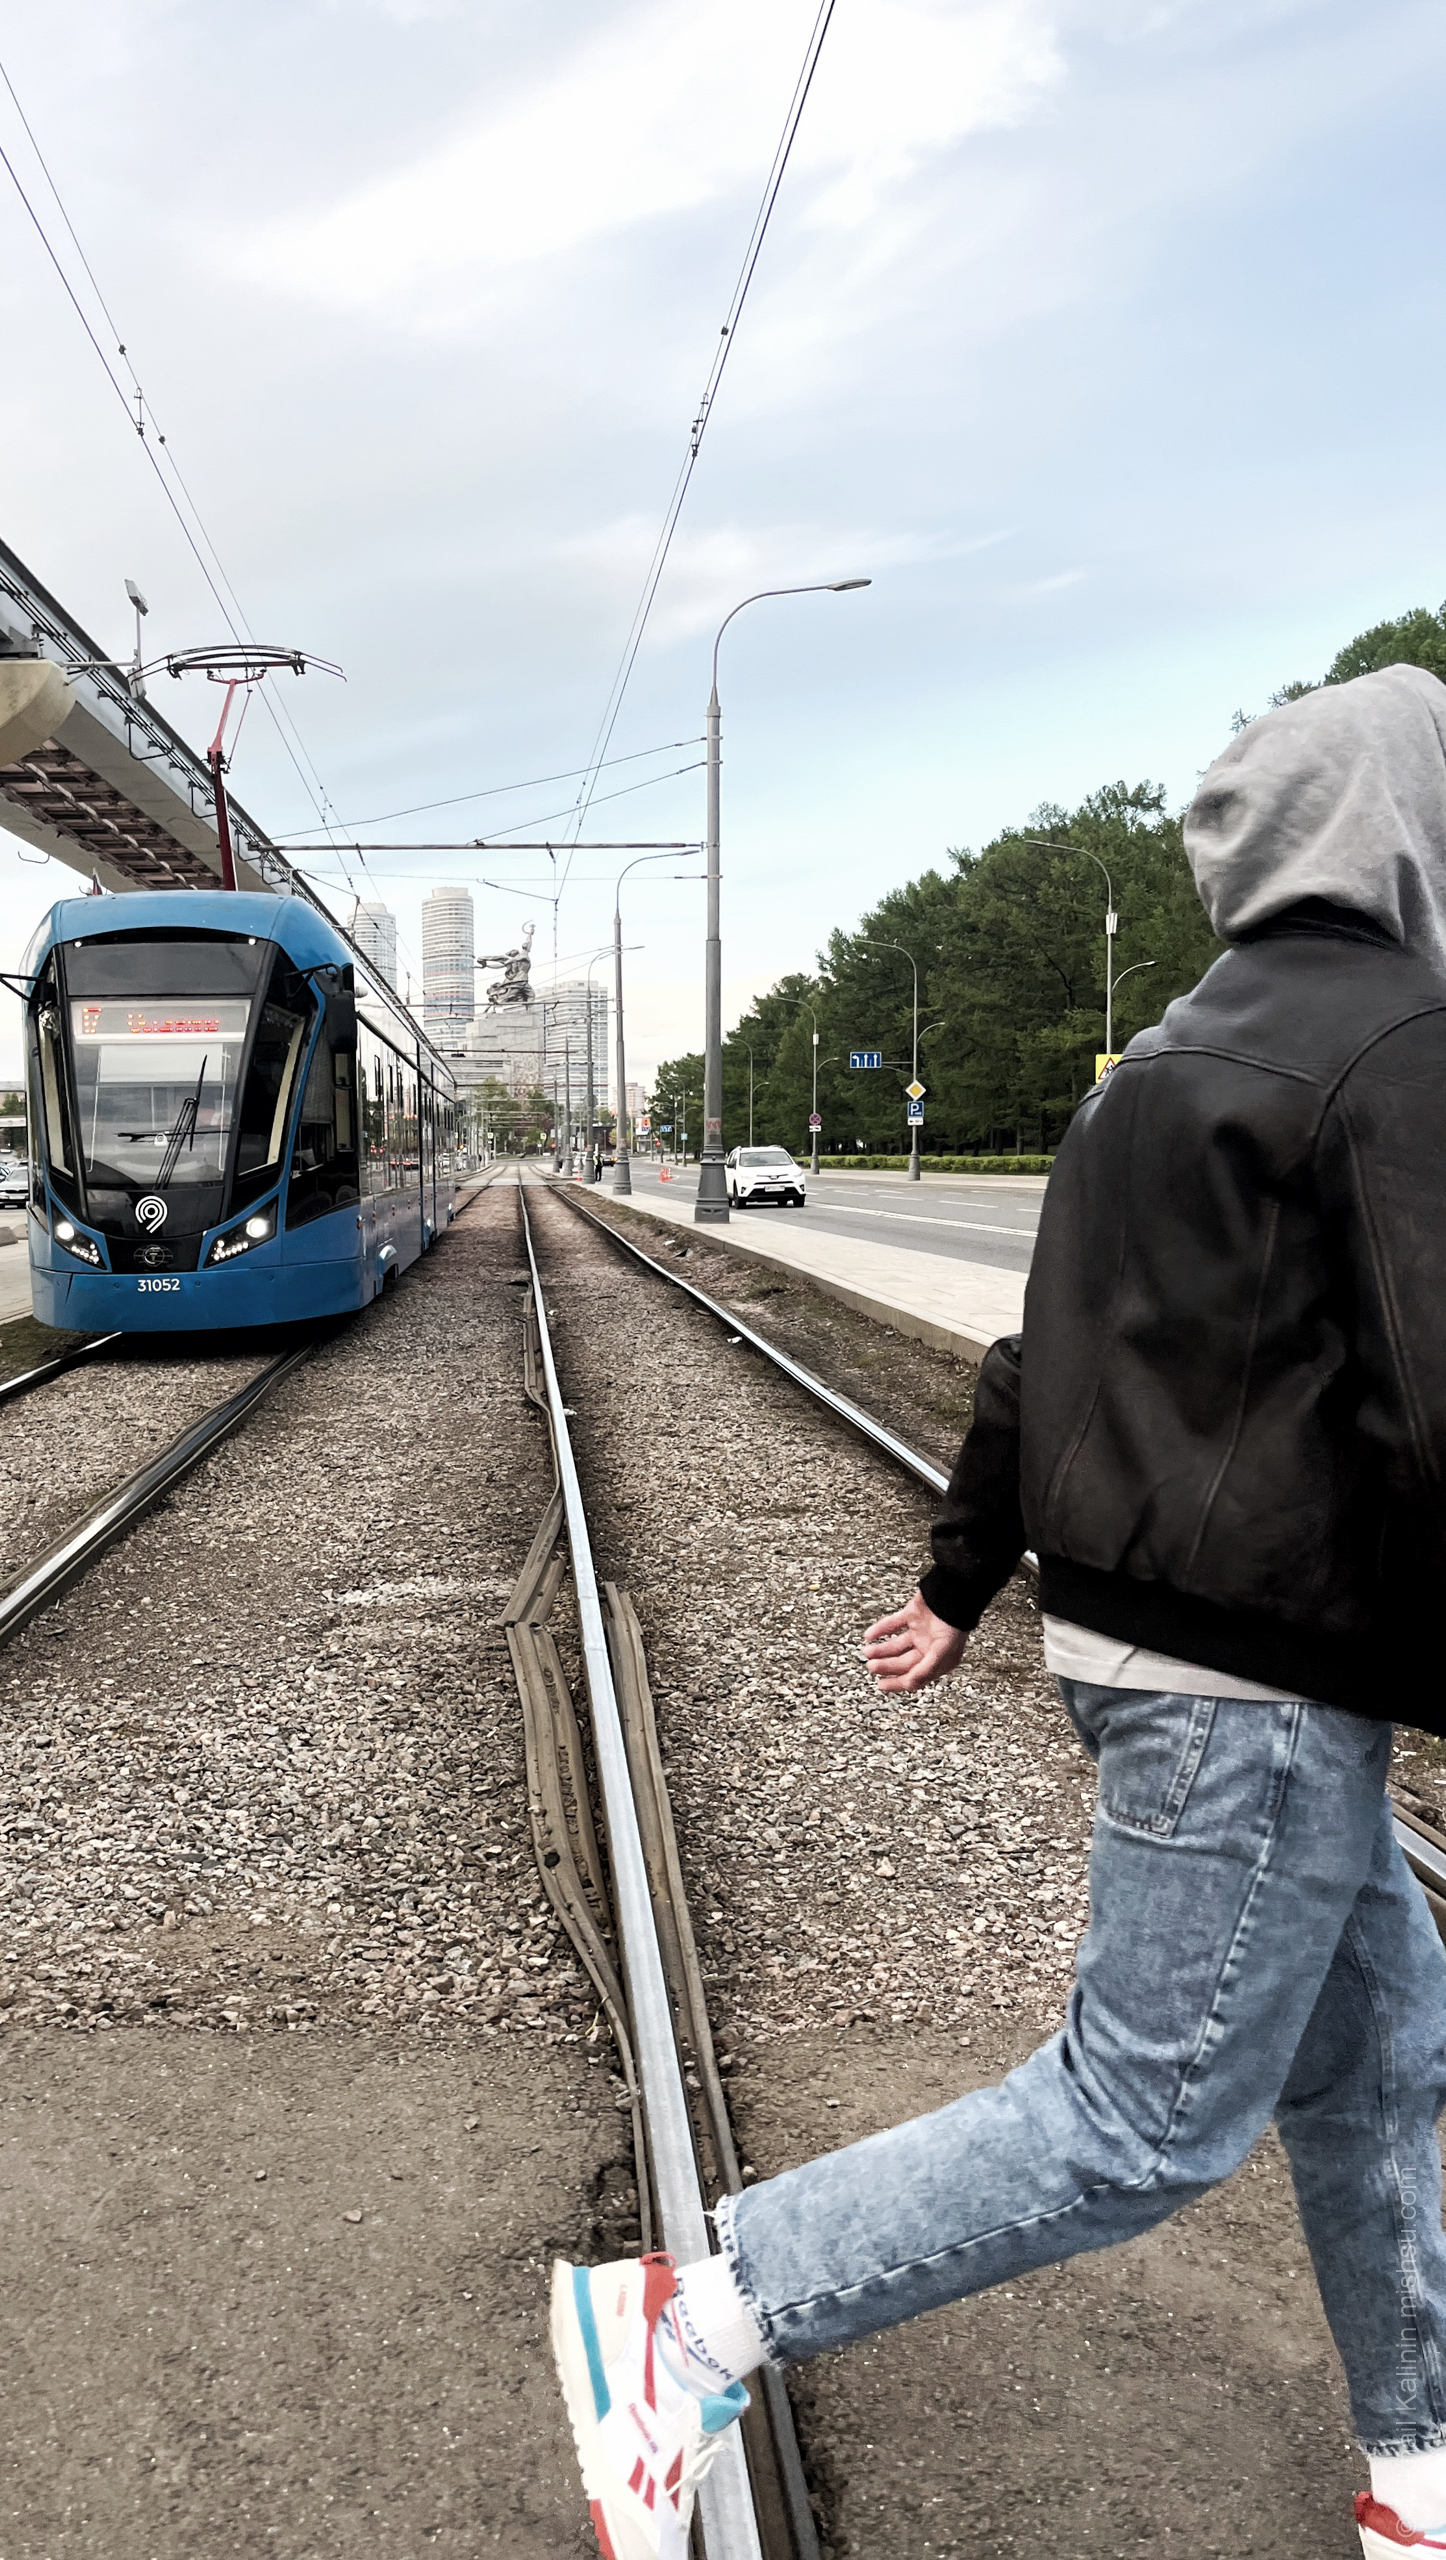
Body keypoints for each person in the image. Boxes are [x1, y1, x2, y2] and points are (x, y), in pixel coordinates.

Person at [550, 664, 1446, 2560]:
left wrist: (963, 1582)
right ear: (1405, 819)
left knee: (1382, 2064)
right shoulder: (1408, 1041)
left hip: (1143, 1648)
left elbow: (1036, 1356)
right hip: (1259, 1676)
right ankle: (698, 2320)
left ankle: (1422, 2459)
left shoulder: (1155, 1058)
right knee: (1142, 2119)